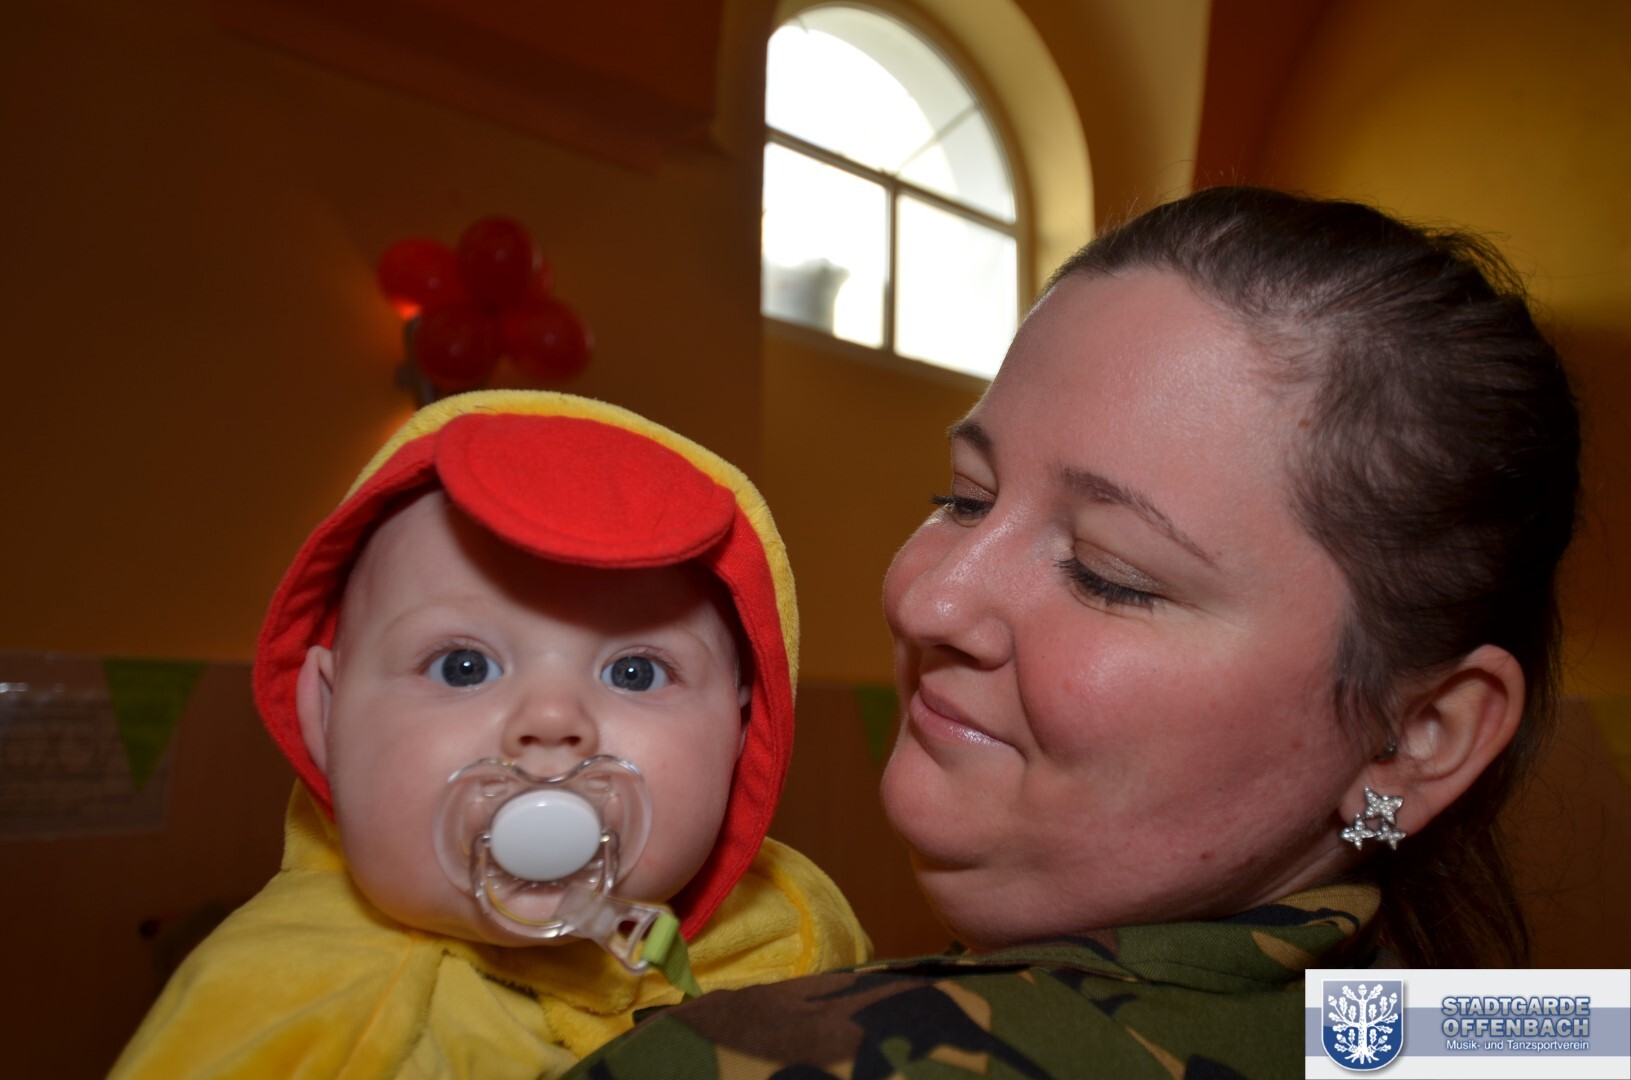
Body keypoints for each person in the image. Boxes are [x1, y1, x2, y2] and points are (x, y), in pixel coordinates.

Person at [566, 187, 1582, 1078]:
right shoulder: (1526, 1039)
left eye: (1109, 574)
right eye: (961, 498)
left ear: (1416, 738)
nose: (928, 602)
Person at [110, 391, 870, 1080]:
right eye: (463, 666)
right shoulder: (300, 1022)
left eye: (635, 672)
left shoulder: (792, 929)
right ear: (326, 716)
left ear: (739, 732)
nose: (552, 720)